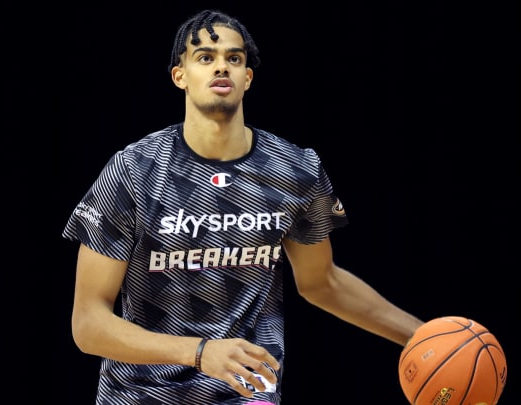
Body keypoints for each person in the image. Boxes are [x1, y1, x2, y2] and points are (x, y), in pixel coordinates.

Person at [62, 9, 425, 405]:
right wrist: (200, 352)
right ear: (179, 75)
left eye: (234, 59)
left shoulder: (294, 169)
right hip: (140, 395)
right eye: (205, 57)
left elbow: (324, 282)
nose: (222, 67)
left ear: (247, 78)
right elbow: (88, 324)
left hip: (245, 396)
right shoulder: (134, 170)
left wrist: (426, 336)